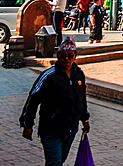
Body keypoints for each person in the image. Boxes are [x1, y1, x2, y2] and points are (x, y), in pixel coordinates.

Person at [20, 38, 91, 166]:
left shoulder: (79, 75)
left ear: (75, 56)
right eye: (63, 56)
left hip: (70, 128)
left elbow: (81, 99)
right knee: (54, 161)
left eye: (70, 56)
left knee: (60, 160)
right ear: (58, 57)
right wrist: (27, 124)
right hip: (51, 129)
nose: (66, 59)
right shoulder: (49, 76)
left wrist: (84, 119)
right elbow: (33, 99)